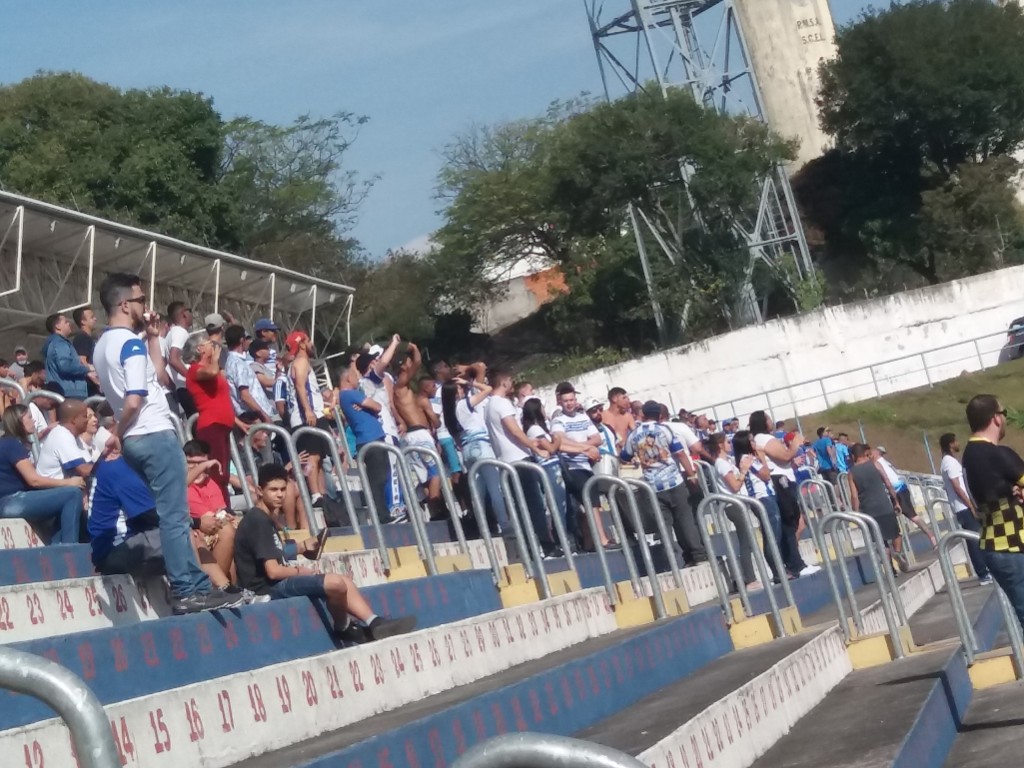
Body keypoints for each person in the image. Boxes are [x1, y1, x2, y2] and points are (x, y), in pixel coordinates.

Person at [94, 272, 239, 613]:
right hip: (153, 433)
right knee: (175, 516)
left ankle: (196, 583)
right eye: (141, 299)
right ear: (124, 303)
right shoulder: (128, 344)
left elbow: (156, 375)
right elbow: (134, 398)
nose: (146, 305)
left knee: (171, 514)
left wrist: (152, 337)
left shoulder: (107, 345)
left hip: (137, 438)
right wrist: (118, 430)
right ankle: (188, 588)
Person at [235, 464, 417, 643]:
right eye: (273, 490)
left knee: (343, 580)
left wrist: (303, 547)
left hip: (276, 582)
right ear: (260, 490)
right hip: (267, 589)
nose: (280, 495)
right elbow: (273, 571)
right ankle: (344, 628)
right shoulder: (258, 521)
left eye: (283, 489)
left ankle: (374, 622)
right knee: (335, 583)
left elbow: (273, 552)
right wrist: (302, 571)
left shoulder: (265, 517)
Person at [961, 394, 1024, 625]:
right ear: (996, 419)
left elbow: (993, 495)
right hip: (1012, 545)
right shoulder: (997, 454)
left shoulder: (969, 456)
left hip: (995, 544)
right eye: (1003, 414)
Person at [620, 401, 706, 566]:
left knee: (664, 525)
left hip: (653, 486)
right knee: (685, 519)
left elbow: (624, 457)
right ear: (659, 415)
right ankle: (697, 554)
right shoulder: (664, 430)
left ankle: (673, 560)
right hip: (674, 481)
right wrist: (691, 474)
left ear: (643, 415)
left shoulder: (634, 434)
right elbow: (680, 454)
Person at [486, 368, 560, 557]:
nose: (512, 384)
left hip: (505, 460)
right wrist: (536, 449)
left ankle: (531, 547)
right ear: (503, 383)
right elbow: (515, 431)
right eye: (510, 381)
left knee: (520, 507)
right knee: (534, 504)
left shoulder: (488, 405)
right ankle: (546, 545)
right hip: (518, 459)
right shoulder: (502, 404)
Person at [748, 411, 819, 577]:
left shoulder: (764, 439)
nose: (771, 420)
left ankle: (794, 562)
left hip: (784, 479)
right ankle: (795, 564)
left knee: (795, 522)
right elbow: (785, 455)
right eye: (768, 418)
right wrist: (796, 443)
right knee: (790, 523)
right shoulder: (764, 439)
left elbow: (783, 459)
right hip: (780, 482)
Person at [0, 404, 84, 544]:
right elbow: (34, 481)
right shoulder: (12, 445)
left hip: (7, 503)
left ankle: (56, 549)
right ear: (19, 421)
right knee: (72, 494)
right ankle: (70, 549)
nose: (34, 421)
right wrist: (68, 483)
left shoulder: (5, 443)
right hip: (12, 502)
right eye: (30, 417)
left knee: (62, 502)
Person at [441, 375, 509, 535]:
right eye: (459, 388)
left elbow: (457, 439)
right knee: (495, 488)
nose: (462, 389)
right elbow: (488, 389)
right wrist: (470, 383)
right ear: (455, 393)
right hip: (481, 446)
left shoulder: (448, 413)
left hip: (466, 450)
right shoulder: (464, 404)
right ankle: (505, 524)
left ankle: (483, 527)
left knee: (478, 492)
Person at [184, 336, 235, 505]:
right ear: (199, 349)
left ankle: (224, 506)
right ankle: (220, 507)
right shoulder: (194, 370)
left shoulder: (212, 368)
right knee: (216, 471)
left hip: (223, 425)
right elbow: (212, 372)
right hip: (211, 425)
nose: (213, 345)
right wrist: (214, 358)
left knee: (224, 473)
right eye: (207, 343)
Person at [393, 343, 443, 516]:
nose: (409, 366)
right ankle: (437, 508)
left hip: (412, 436)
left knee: (427, 477)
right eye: (406, 363)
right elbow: (417, 363)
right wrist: (414, 349)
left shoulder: (400, 390)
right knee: (436, 473)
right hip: (419, 434)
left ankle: (434, 510)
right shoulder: (400, 385)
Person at [709, 432, 760, 589]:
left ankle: (750, 577)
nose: (730, 444)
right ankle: (750, 579)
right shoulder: (722, 464)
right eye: (727, 442)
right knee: (746, 541)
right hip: (734, 505)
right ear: (720, 445)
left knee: (749, 540)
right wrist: (743, 471)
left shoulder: (727, 461)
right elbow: (734, 486)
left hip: (740, 504)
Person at [940, 432, 992, 585]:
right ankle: (982, 573)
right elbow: (957, 486)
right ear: (951, 444)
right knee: (974, 541)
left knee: (978, 539)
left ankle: (985, 570)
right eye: (955, 441)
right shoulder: (949, 462)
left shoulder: (950, 460)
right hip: (963, 507)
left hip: (964, 506)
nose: (958, 443)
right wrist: (970, 505)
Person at [184, 439, 238, 584]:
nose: (198, 467)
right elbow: (208, 518)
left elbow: (221, 511)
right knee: (227, 532)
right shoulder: (184, 486)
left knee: (237, 529)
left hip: (211, 530)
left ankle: (234, 590)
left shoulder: (210, 482)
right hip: (196, 532)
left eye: (202, 463)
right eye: (192, 463)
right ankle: (217, 587)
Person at [848, 443, 902, 572]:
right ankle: (898, 553)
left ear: (853, 456)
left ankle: (889, 567)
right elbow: (888, 484)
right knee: (895, 533)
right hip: (884, 505)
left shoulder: (851, 473)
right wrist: (896, 501)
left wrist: (856, 514)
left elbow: (854, 497)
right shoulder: (876, 465)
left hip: (869, 511)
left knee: (880, 541)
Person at [874, 446, 938, 549]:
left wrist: (896, 501)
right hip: (900, 489)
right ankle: (896, 548)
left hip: (898, 491)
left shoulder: (878, 463)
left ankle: (932, 538)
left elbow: (888, 481)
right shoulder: (883, 461)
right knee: (902, 518)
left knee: (912, 516)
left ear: (877, 453)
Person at [36, 399, 95, 480]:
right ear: (74, 420)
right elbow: (84, 470)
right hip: (51, 489)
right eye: (85, 416)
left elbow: (89, 465)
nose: (87, 420)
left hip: (66, 487)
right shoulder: (61, 435)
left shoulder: (75, 436)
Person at [42, 312, 96, 399]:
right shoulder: (59, 343)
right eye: (66, 322)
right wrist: (87, 369)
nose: (69, 323)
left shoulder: (60, 343)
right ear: (57, 326)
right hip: (70, 393)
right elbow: (65, 366)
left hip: (70, 392)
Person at [165, 302, 196, 417]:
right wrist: (192, 378)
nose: (192, 315)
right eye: (190, 311)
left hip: (181, 389)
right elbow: (174, 359)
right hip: (187, 388)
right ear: (184, 314)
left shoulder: (171, 333)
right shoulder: (180, 332)